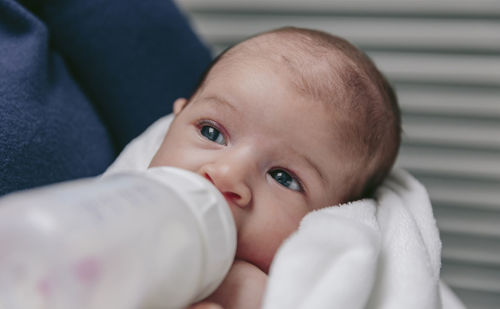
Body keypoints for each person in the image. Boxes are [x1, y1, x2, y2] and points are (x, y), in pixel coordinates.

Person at [148, 26, 401, 309]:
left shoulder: (260, 295)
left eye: (283, 177)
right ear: (174, 121)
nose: (227, 175)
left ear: (331, 218)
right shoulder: (116, 201)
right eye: (211, 132)